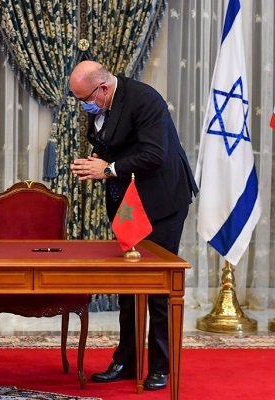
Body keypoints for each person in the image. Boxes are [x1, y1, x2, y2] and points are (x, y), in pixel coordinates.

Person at [68, 60, 198, 391]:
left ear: (103, 88)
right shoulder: (101, 102)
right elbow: (113, 142)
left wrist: (107, 169)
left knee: (157, 287)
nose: (82, 105)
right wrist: (95, 163)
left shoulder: (145, 100)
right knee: (128, 285)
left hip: (161, 202)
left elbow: (155, 155)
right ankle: (126, 360)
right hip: (127, 204)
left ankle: (160, 366)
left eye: (84, 99)